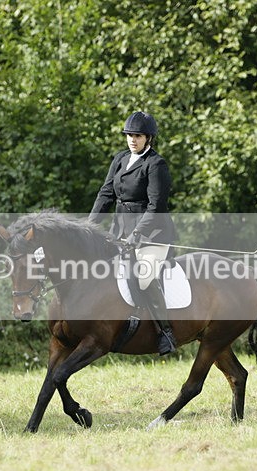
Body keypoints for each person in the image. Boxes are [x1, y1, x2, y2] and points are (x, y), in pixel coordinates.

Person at [88, 111, 178, 354]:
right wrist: (89, 226)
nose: (132, 140)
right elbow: (105, 194)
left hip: (153, 235)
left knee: (144, 277)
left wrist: (137, 235)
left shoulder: (156, 164)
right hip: (120, 231)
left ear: (148, 138)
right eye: (129, 135)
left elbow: (156, 205)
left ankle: (165, 332)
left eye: (137, 136)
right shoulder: (120, 159)